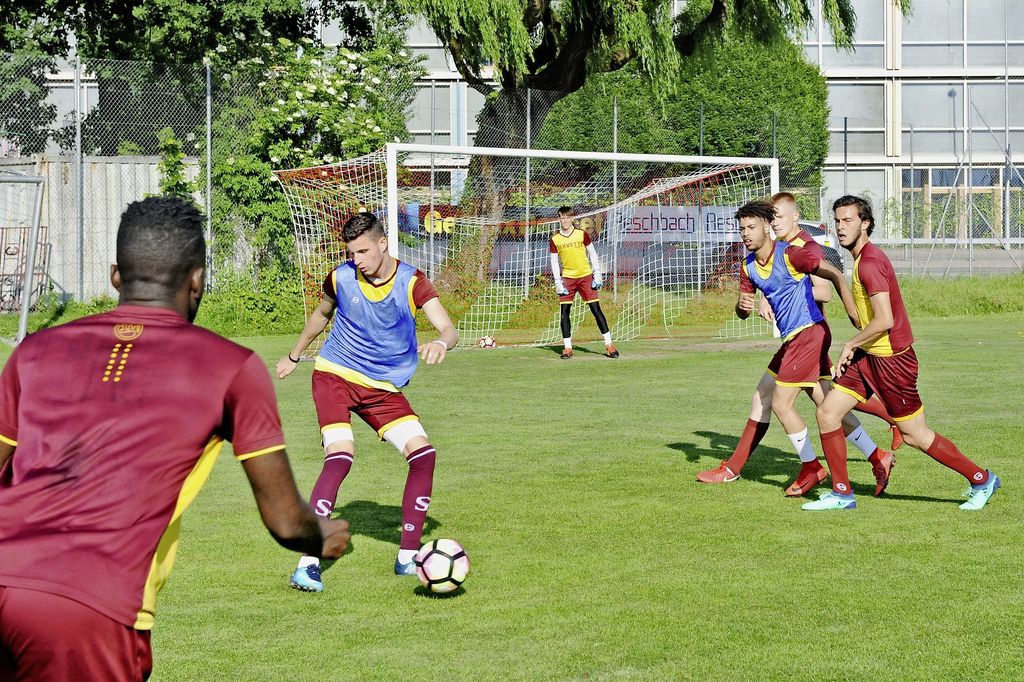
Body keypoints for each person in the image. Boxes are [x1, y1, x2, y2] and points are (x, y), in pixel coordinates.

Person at [0, 197, 350, 681]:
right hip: (90, 605)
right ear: (198, 280)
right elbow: (286, 523)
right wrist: (321, 534)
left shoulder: (36, 350)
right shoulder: (231, 367)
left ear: (115, 275)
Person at [276, 211, 458, 591]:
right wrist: (294, 355)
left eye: (362, 251)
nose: (356, 259)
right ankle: (307, 563)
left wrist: (441, 341)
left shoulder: (412, 282)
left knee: (423, 456)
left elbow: (447, 326)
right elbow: (321, 315)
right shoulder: (341, 276)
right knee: (341, 456)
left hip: (382, 386)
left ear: (382, 243)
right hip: (335, 374)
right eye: (350, 252)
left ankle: (408, 557)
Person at [803, 195, 1001, 511]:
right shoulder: (858, 261)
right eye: (838, 221)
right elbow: (862, 319)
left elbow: (885, 320)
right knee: (828, 413)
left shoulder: (869, 262)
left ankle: (981, 478)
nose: (841, 227)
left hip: (892, 362)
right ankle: (842, 494)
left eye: (848, 220)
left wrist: (851, 344)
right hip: (869, 356)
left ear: (865, 223)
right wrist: (838, 279)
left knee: (915, 435)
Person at [698, 194, 900, 497]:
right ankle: (877, 455)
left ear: (768, 226)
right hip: (794, 339)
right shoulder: (748, 266)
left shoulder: (796, 252)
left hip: (808, 334)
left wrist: (850, 308)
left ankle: (809, 466)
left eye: (752, 227)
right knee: (822, 401)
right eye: (742, 229)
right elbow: (743, 308)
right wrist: (743, 306)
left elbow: (831, 274)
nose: (745, 234)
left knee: (778, 402)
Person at [548, 206, 618, 359]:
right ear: (559, 219)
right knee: (564, 313)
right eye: (562, 217)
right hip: (568, 279)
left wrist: (597, 274)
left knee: (596, 309)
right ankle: (567, 348)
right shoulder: (555, 239)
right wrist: (558, 282)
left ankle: (609, 344)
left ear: (572, 218)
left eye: (567, 217)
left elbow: (592, 253)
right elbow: (554, 262)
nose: (565, 220)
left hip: (586, 277)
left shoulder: (582, 234)